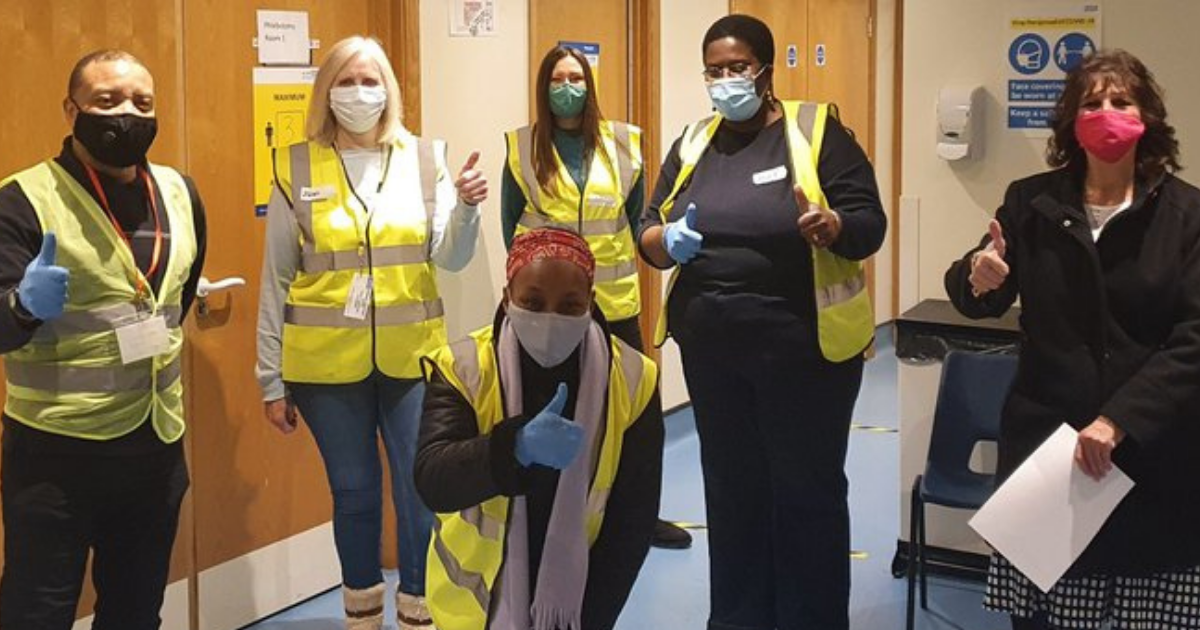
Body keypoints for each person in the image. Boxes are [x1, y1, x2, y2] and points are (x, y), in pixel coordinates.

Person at [638, 14, 886, 630]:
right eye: (714, 71)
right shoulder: (695, 140)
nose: (726, 81)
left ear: (765, 70)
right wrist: (665, 240)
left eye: (737, 68)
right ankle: (739, 617)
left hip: (802, 349)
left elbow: (868, 220)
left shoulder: (816, 130)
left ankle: (811, 618)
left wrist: (833, 226)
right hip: (713, 346)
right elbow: (646, 225)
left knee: (805, 492)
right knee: (732, 491)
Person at [945, 49, 1200, 630]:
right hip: (1049, 455)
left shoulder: (1188, 216)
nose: (1106, 112)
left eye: (1121, 101)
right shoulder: (1031, 202)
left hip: (1153, 456)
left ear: (1147, 119)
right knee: (1044, 620)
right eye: (1091, 103)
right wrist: (976, 274)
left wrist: (1119, 419)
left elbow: (1195, 337)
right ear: (1070, 122)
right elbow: (976, 287)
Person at [255, 35, 487, 630]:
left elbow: (452, 258)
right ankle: (361, 611)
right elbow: (275, 278)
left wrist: (464, 208)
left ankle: (417, 610)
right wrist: (270, 379)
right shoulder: (295, 163)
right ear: (325, 91)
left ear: (390, 89)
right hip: (324, 367)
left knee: (419, 489)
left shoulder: (423, 158)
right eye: (346, 81)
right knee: (354, 493)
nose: (359, 92)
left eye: (370, 80)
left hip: (412, 359)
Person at [0, 49, 206, 629]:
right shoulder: (21, 199)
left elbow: (175, 299)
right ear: (72, 110)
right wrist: (20, 306)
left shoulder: (179, 192)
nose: (127, 115)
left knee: (137, 610)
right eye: (107, 101)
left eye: (143, 103)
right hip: (55, 455)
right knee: (36, 612)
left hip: (155, 445)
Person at [415, 228, 663, 630]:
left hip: (575, 603)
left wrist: (590, 620)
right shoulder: (464, 368)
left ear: (591, 303)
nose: (550, 318)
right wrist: (512, 447)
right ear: (506, 296)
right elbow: (433, 480)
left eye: (569, 305)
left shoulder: (635, 379)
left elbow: (632, 520)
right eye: (532, 302)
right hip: (474, 611)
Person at [501, 45, 691, 550]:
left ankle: (640, 517)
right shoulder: (522, 149)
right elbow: (510, 235)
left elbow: (638, 222)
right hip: (550, 316)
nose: (568, 88)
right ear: (544, 88)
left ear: (590, 83)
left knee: (635, 416)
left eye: (576, 77)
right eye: (558, 79)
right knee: (554, 411)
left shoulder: (623, 144)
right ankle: (555, 515)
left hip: (616, 301)